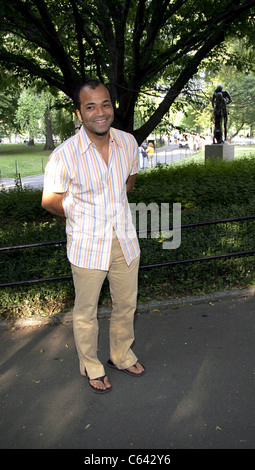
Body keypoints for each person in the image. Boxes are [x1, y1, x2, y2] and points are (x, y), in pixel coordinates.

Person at [41, 79, 144, 394]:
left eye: (105, 104)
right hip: (87, 245)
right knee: (86, 312)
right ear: (79, 113)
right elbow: (49, 201)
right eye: (90, 106)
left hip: (124, 239)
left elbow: (129, 181)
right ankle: (91, 365)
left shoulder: (128, 142)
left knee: (126, 304)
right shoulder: (64, 155)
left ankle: (121, 355)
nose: (100, 112)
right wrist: (80, 215)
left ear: (112, 107)